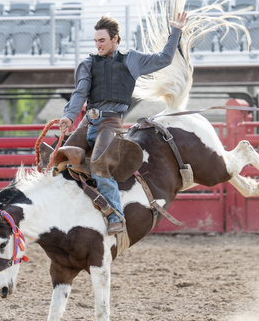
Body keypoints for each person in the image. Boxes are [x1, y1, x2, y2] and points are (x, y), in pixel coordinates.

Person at [58, 12, 188, 234]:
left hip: (111, 124)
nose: (98, 45)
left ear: (115, 39)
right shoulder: (88, 63)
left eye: (102, 40)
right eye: (96, 41)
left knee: (100, 164)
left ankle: (114, 215)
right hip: (88, 123)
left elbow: (164, 59)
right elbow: (80, 92)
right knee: (54, 157)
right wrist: (69, 116)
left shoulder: (132, 59)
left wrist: (176, 30)